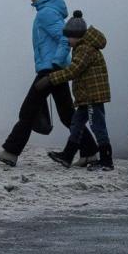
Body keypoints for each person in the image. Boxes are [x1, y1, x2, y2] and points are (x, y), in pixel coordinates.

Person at [0, 0, 98, 167]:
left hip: (50, 70)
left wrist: (55, 63)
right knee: (67, 115)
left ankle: (11, 152)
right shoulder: (49, 11)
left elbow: (65, 38)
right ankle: (89, 152)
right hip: (54, 68)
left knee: (28, 110)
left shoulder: (46, 13)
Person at [38, 11, 114, 171]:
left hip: (93, 97)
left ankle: (106, 161)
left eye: (69, 37)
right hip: (86, 97)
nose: (67, 40)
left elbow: (73, 71)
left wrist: (50, 79)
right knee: (76, 124)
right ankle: (67, 155)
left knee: (97, 127)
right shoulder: (81, 47)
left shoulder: (85, 49)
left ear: (77, 35)